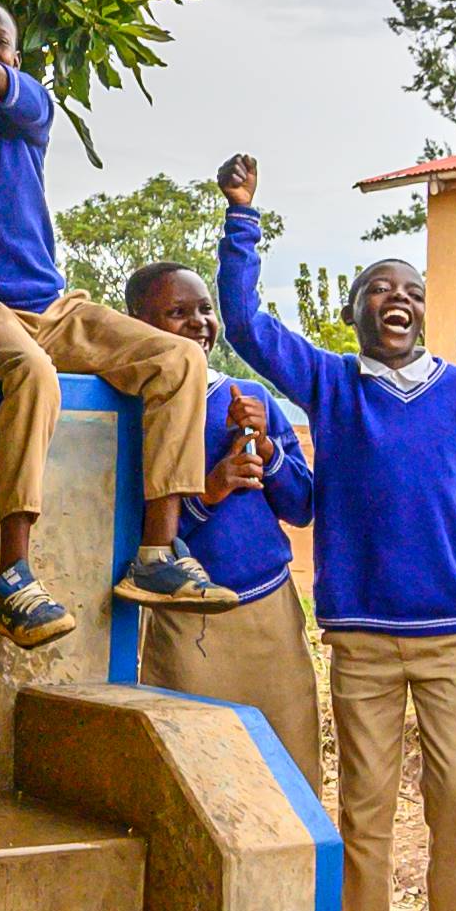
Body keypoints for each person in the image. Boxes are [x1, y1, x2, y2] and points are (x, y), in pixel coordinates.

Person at [215, 157, 456, 911]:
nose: (396, 299)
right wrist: (243, 218)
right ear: (355, 312)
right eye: (377, 290)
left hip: (453, 637)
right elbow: (244, 321)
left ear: (422, 311)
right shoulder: (331, 385)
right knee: (364, 802)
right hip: (359, 635)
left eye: (409, 290)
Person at [0, 6, 227, 644]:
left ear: (16, 60)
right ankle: (13, 576)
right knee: (33, 374)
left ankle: (157, 556)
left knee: (180, 360)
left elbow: (24, 99)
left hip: (53, 307)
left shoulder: (24, 118)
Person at [124, 258, 324, 781]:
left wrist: (268, 453)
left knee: (289, 767)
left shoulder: (248, 399)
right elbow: (126, 531)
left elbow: (302, 507)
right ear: (136, 325)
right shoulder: (132, 412)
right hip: (186, 626)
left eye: (205, 309)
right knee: (198, 776)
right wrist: (207, 493)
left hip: (269, 614)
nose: (198, 322)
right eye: (176, 312)